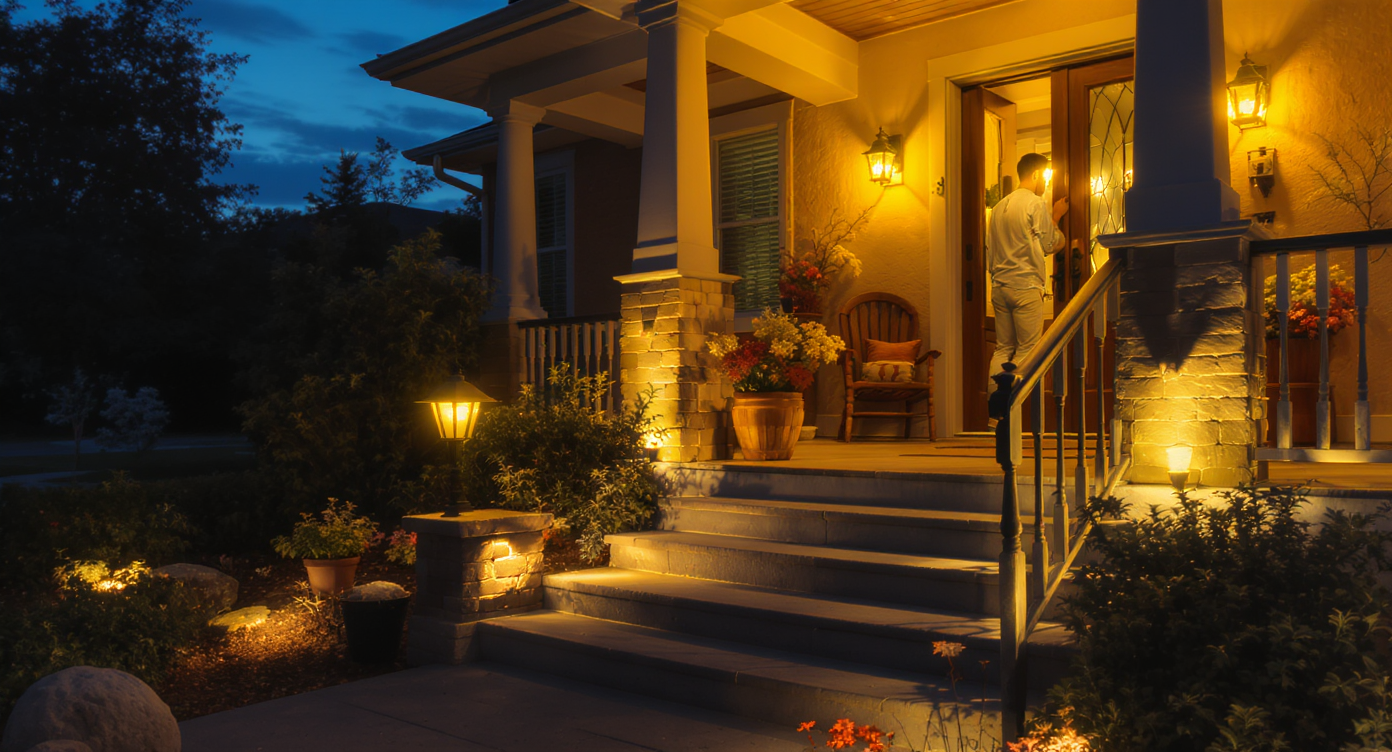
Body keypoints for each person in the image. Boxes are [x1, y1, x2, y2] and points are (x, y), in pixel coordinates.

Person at [986, 152, 1070, 399]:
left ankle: (995, 410)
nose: (1045, 182)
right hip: (1025, 286)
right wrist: (1056, 217)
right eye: (1044, 176)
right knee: (1027, 349)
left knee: (1003, 349)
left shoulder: (1000, 206)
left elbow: (990, 251)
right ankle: (1016, 409)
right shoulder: (1034, 203)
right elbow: (1050, 244)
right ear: (1035, 174)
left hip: (999, 287)